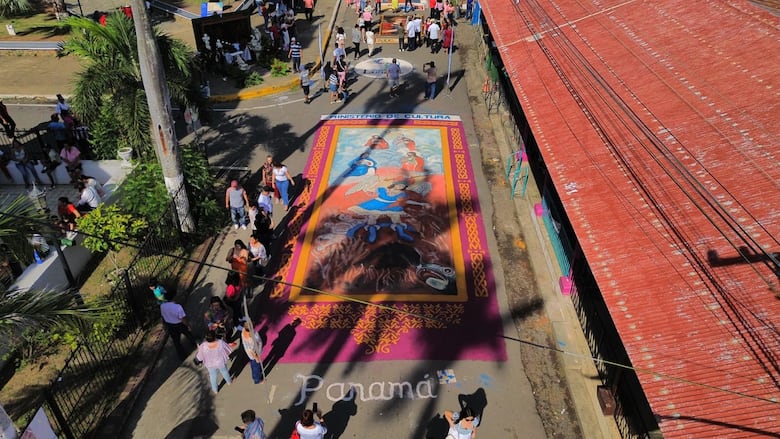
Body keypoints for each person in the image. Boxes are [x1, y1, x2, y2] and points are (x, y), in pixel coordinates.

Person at [160, 293, 198, 360]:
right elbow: (182, 318)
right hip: (179, 324)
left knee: (176, 342)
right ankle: (195, 343)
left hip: (170, 325)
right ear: (174, 297)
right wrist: (188, 325)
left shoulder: (162, 306)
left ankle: (182, 356)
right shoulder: (177, 307)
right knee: (188, 333)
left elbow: (163, 316)